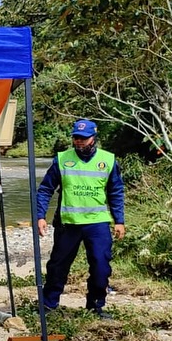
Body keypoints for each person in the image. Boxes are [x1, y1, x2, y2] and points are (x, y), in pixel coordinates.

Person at [35, 118, 126, 318]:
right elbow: (45, 190)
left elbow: (116, 192)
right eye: (76, 138)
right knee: (57, 266)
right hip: (69, 225)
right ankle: (48, 306)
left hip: (98, 224)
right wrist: (40, 216)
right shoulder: (61, 160)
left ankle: (95, 307)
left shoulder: (108, 160)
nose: (79, 142)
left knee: (101, 267)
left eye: (84, 139)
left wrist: (119, 220)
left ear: (94, 138)